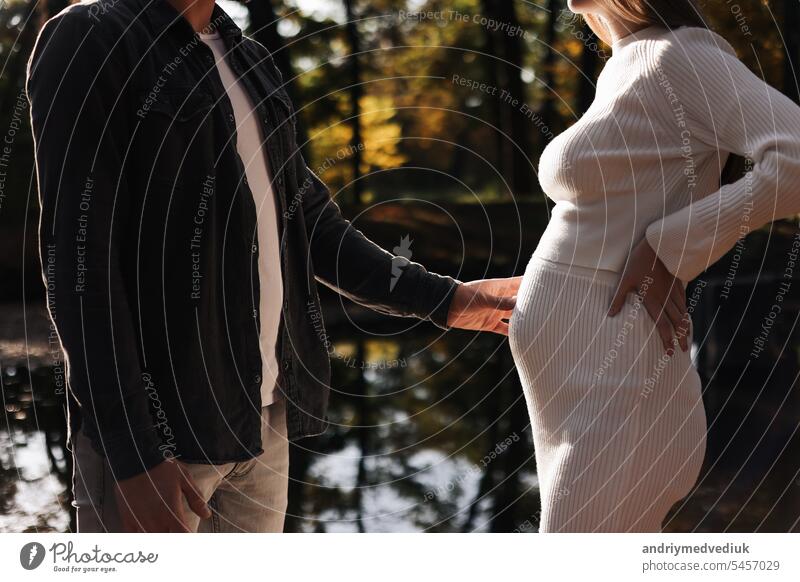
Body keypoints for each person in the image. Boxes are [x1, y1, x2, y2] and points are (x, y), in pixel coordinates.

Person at [27, 0, 519, 532]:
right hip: (164, 443)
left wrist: (447, 299)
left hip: (263, 427)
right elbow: (79, 265)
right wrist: (134, 458)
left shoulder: (251, 60)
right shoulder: (90, 38)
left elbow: (311, 227)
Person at [509, 0, 800, 531]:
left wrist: (672, 247)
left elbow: (795, 159)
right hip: (575, 365)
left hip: (613, 357)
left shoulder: (682, 56)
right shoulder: (626, 61)